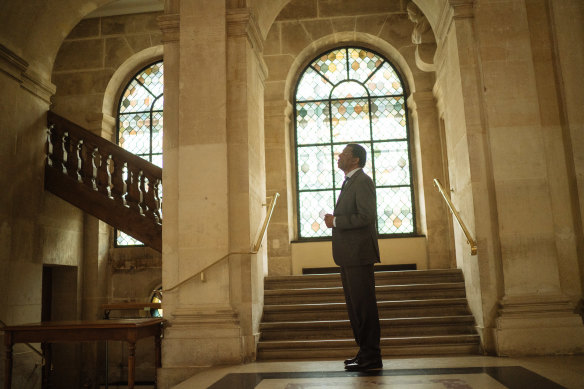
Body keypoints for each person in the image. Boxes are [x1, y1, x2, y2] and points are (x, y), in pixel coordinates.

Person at [324, 143, 382, 371]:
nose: (339, 157)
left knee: (364, 307)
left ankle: (372, 357)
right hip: (348, 255)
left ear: (356, 160)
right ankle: (364, 352)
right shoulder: (349, 182)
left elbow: (366, 216)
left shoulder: (363, 181)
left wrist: (336, 221)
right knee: (355, 308)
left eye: (344, 154)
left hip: (359, 254)